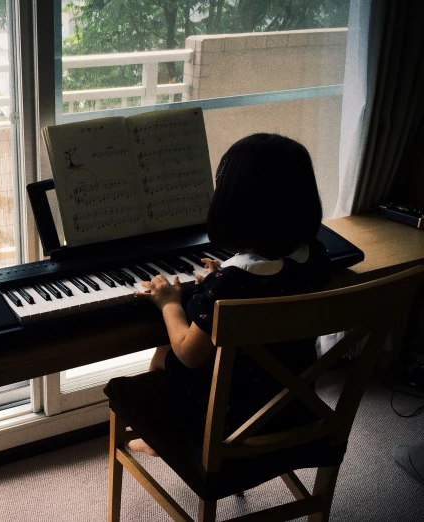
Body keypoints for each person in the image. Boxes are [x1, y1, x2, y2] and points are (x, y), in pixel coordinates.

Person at [104, 133, 332, 456]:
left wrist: (169, 303)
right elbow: (267, 284)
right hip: (293, 410)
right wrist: (222, 275)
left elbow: (189, 353)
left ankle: (165, 437)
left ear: (236, 207)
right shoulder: (317, 257)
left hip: (226, 427)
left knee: (162, 358)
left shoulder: (231, 284)